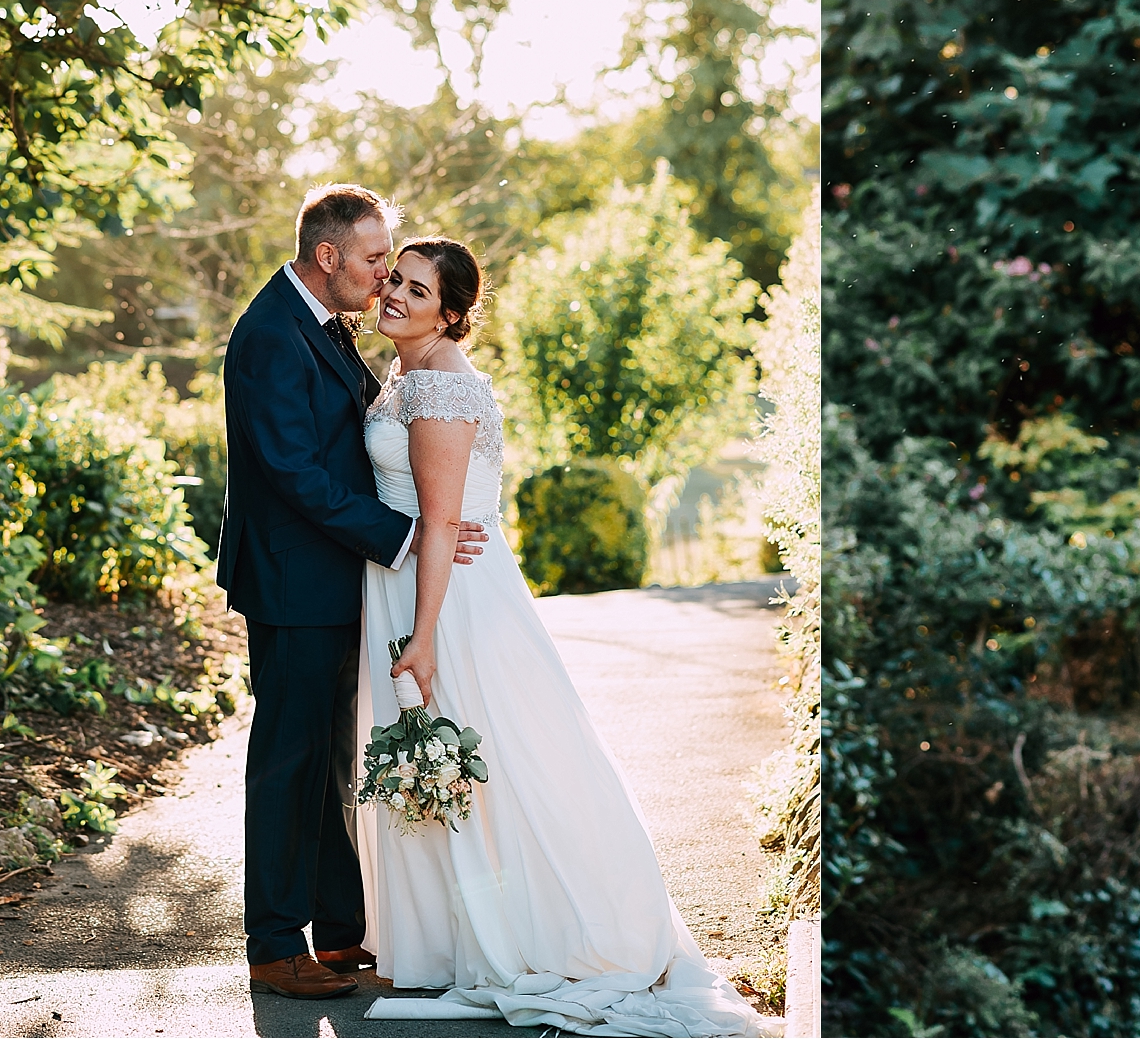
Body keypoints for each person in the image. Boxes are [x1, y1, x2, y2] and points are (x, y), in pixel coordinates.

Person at [352, 235, 759, 1036]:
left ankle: (552, 930)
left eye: (416, 290)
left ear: (453, 314)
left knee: (489, 762)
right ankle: (445, 937)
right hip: (418, 583)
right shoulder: (407, 375)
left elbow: (441, 522)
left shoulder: (440, 385)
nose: (394, 295)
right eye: (393, 279)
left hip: (450, 601)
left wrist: (422, 638)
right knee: (458, 766)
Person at [218, 184, 490, 1000]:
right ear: (328, 255)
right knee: (286, 761)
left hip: (336, 579)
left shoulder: (325, 324)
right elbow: (295, 472)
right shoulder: (271, 332)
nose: (383, 279)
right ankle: (272, 944)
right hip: (294, 580)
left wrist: (429, 518)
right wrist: (404, 535)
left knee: (329, 762)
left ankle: (338, 931)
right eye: (375, 261)